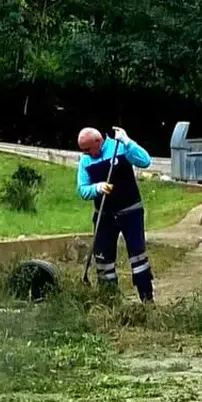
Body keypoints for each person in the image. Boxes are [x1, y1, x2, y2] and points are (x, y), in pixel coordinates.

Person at [77, 126, 155, 302]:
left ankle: (147, 299)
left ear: (98, 141)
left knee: (138, 257)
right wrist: (97, 188)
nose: (86, 153)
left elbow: (145, 161)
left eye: (88, 149)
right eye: (83, 150)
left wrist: (127, 142)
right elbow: (82, 190)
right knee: (104, 261)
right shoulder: (85, 161)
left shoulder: (120, 147)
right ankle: (110, 301)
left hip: (131, 212)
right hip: (104, 215)